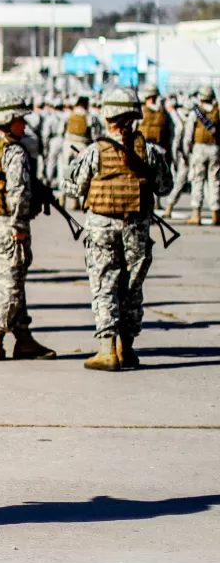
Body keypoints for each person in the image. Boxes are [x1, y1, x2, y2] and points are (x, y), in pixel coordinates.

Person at [63, 88, 173, 371]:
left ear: (108, 116)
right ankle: (127, 348)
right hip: (136, 224)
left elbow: (72, 187)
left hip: (101, 226)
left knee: (104, 285)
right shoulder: (149, 151)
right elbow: (165, 187)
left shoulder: (94, 151)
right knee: (132, 287)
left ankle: (107, 350)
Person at [0, 91, 57, 362]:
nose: (23, 125)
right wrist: (19, 225)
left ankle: (23, 339)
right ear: (6, 120)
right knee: (9, 286)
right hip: (6, 227)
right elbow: (18, 192)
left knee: (9, 281)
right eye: (19, 119)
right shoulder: (12, 151)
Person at [180, 85, 219, 225]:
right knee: (215, 181)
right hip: (215, 149)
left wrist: (186, 153)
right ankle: (216, 213)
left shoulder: (195, 113)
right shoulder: (217, 111)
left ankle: (196, 214)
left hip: (199, 149)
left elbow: (188, 136)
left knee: (197, 181)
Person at [59, 95, 98, 209]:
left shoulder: (68, 115)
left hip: (68, 145)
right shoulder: (89, 117)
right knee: (81, 173)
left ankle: (62, 197)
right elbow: (94, 135)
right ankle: (77, 201)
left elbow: (61, 131)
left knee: (65, 171)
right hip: (82, 146)